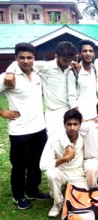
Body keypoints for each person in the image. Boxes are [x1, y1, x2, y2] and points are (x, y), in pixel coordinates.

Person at [0, 43, 47, 210]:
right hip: (19, 130)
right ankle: (18, 196)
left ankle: (33, 189)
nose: (26, 61)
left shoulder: (37, 72)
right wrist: (2, 112)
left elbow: (56, 62)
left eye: (29, 57)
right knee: (20, 165)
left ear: (34, 58)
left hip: (39, 128)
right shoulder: (7, 78)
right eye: (21, 58)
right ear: (15, 58)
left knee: (36, 163)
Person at [5, 41, 78, 137]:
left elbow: (72, 94)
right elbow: (21, 62)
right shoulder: (46, 66)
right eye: (65, 60)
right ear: (56, 56)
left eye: (70, 60)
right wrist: (10, 72)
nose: (67, 63)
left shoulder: (71, 69)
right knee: (53, 142)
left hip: (69, 109)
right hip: (53, 112)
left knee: (70, 140)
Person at [40, 109, 88, 217]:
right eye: (69, 124)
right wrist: (63, 159)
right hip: (61, 172)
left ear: (80, 125)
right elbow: (42, 165)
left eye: (75, 124)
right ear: (64, 125)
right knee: (51, 173)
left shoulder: (85, 136)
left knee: (82, 203)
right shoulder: (54, 139)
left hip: (78, 173)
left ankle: (68, 192)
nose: (72, 128)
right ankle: (57, 203)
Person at [67, 39, 98, 121]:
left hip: (95, 117)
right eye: (85, 51)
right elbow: (71, 97)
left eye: (90, 51)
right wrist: (80, 118)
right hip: (82, 118)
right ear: (80, 54)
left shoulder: (95, 69)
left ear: (94, 53)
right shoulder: (74, 71)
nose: (88, 54)